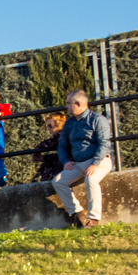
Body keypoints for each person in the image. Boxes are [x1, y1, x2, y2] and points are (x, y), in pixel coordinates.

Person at [53, 90, 112, 227]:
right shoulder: (69, 123)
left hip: (100, 161)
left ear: (78, 104)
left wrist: (95, 163)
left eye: (68, 103)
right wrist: (66, 161)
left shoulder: (97, 120)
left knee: (91, 179)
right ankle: (77, 213)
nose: (66, 106)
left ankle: (94, 219)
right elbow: (62, 145)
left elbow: (104, 144)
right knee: (58, 182)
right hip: (78, 164)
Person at [31, 110, 66, 182]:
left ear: (59, 124)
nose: (49, 129)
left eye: (50, 126)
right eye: (48, 127)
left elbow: (48, 143)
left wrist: (37, 151)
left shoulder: (62, 135)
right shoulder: (61, 136)